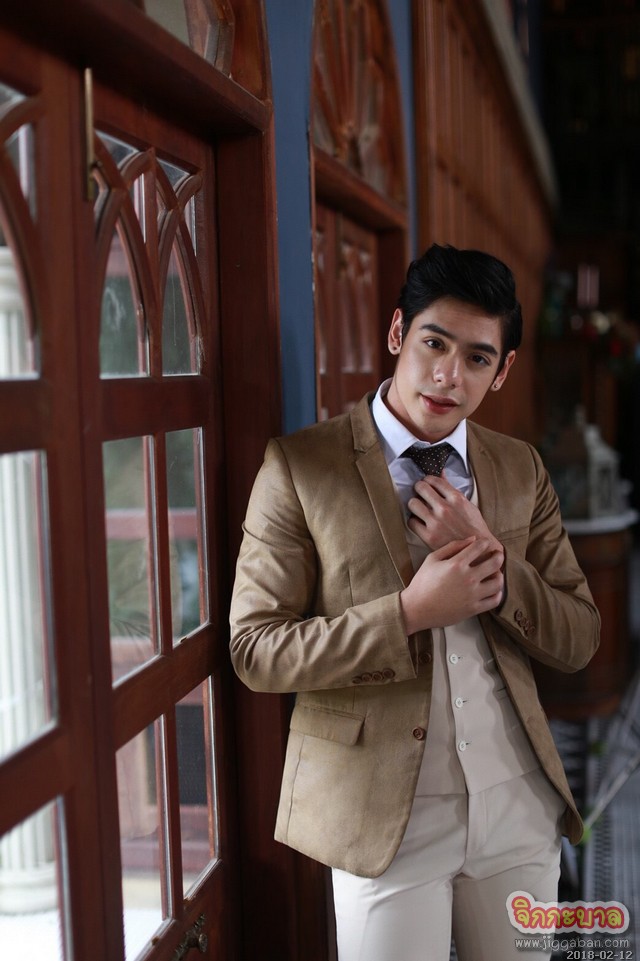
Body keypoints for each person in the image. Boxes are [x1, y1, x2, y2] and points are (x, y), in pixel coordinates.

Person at [229, 243, 600, 961]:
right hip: (383, 820)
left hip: (517, 805)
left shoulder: (519, 467)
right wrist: (408, 614)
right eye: (435, 343)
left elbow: (579, 635)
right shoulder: (302, 466)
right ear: (399, 332)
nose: (448, 375)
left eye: (477, 358)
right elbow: (256, 650)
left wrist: (491, 558)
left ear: (502, 370)